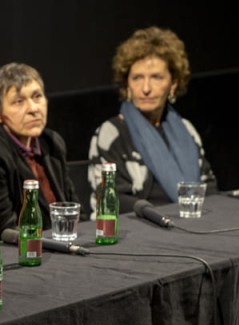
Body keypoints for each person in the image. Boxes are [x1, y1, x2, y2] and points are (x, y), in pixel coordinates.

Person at [88, 26, 216, 215]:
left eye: (156, 77)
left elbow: (210, 188)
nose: (146, 88)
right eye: (137, 78)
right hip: (139, 231)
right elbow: (113, 199)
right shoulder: (111, 133)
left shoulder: (186, 130)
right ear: (128, 85)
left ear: (173, 84)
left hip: (194, 225)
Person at [0, 62, 81, 233]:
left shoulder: (52, 142)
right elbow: (2, 230)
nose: (33, 108)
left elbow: (73, 210)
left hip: (60, 243)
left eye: (37, 96)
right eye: (18, 101)